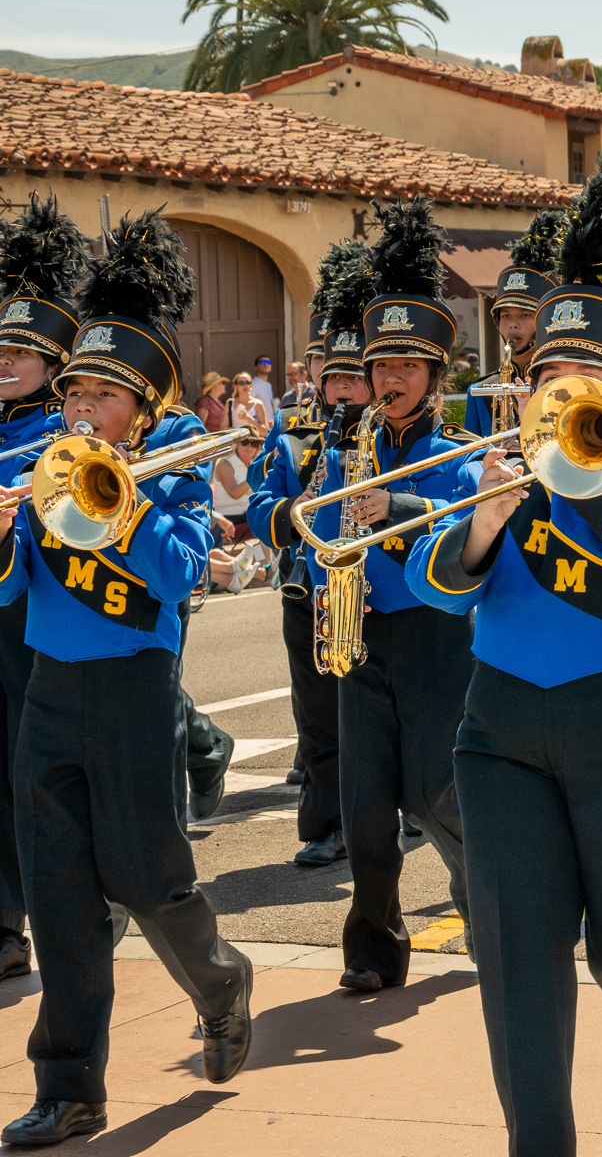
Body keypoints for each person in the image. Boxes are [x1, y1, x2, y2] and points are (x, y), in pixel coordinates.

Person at [407, 168, 602, 1154]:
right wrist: (485, 518)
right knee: (516, 959)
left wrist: (600, 475)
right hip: (502, 733)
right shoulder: (496, 468)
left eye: (588, 382)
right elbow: (433, 585)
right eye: (551, 377)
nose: (564, 395)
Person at [0, 210, 252, 1147]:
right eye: (75, 390)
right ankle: (70, 1089)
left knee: (147, 880)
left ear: (141, 409)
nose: (81, 409)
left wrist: (126, 499)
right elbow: (12, 586)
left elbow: (181, 574)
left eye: (103, 394)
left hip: (134, 691)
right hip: (49, 690)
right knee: (58, 894)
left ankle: (221, 982)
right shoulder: (43, 462)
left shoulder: (174, 458)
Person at [307, 197, 475, 992]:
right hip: (362, 635)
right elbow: (323, 536)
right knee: (366, 804)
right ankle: (374, 948)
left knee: (437, 793)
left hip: (437, 638)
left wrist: (396, 507)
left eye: (407, 367)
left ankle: (489, 904)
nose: (390, 380)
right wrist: (325, 575)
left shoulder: (461, 453)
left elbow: (467, 526)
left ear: (436, 376)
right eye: (381, 367)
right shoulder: (351, 446)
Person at [249, 239, 376, 868]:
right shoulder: (294, 434)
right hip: (310, 590)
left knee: (377, 714)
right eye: (334, 378)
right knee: (319, 714)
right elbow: (260, 503)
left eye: (355, 378)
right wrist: (292, 513)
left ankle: (387, 809)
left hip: (376, 591)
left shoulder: (393, 435)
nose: (343, 389)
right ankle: (327, 824)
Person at [0, 195, 88, 988]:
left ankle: (16, 921)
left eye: (22, 350)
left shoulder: (64, 438)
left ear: (56, 366)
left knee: (24, 769)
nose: (5, 359)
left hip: (28, 614)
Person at [464, 209, 560, 438]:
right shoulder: (479, 391)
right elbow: (470, 454)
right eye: (505, 316)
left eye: (525, 315)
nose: (513, 325)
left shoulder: (564, 383)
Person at [211, 434, 259, 541]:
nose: (249, 447)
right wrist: (256, 475)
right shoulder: (224, 462)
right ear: (236, 444)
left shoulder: (255, 463)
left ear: (257, 448)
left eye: (254, 444)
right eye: (245, 442)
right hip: (228, 519)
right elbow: (235, 493)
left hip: (249, 516)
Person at [225, 371, 272, 437]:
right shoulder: (230, 403)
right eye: (241, 383)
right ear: (236, 386)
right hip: (236, 442)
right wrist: (235, 433)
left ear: (251, 384)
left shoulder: (258, 404)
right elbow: (223, 427)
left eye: (247, 382)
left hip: (253, 442)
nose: (245, 385)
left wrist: (248, 419)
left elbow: (264, 432)